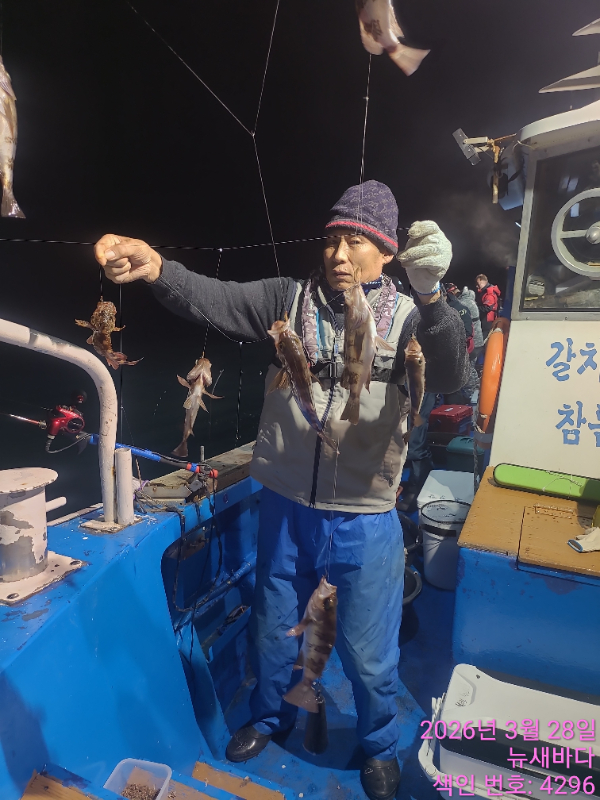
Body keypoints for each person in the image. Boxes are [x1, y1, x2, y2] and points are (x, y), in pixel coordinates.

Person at [94, 180, 469, 800]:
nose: (339, 254)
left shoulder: (410, 315)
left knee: (368, 649)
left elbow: (452, 374)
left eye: (356, 242)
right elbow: (214, 299)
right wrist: (157, 267)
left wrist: (432, 296)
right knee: (273, 628)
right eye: (332, 239)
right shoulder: (287, 300)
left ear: (387, 252)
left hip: (366, 517)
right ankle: (270, 717)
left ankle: (379, 744)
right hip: (286, 507)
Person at [475, 274, 501, 339]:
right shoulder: (484, 292)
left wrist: (475, 308)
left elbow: (487, 307)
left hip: (487, 320)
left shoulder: (489, 293)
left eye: (478, 284)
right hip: (485, 319)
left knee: (484, 337)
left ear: (482, 281)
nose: (476, 286)